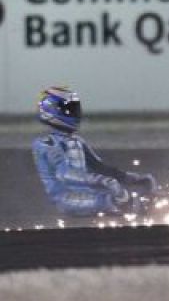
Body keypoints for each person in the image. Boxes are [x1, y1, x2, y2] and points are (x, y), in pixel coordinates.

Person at [32, 86, 157, 217]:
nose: (74, 113)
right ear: (51, 111)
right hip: (65, 199)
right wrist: (105, 182)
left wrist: (131, 178)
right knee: (116, 201)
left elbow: (99, 167)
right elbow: (64, 174)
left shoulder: (77, 141)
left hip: (85, 193)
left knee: (128, 201)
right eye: (69, 109)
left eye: (74, 109)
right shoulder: (46, 144)